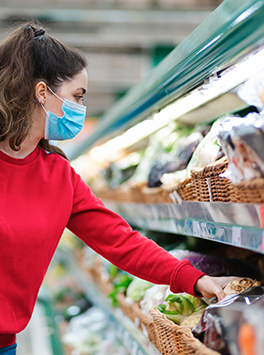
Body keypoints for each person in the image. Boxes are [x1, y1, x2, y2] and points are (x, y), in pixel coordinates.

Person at [0, 22, 238, 355]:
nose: (80, 108)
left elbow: (120, 241)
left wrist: (196, 279)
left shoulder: (58, 176)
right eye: (76, 97)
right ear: (43, 93)